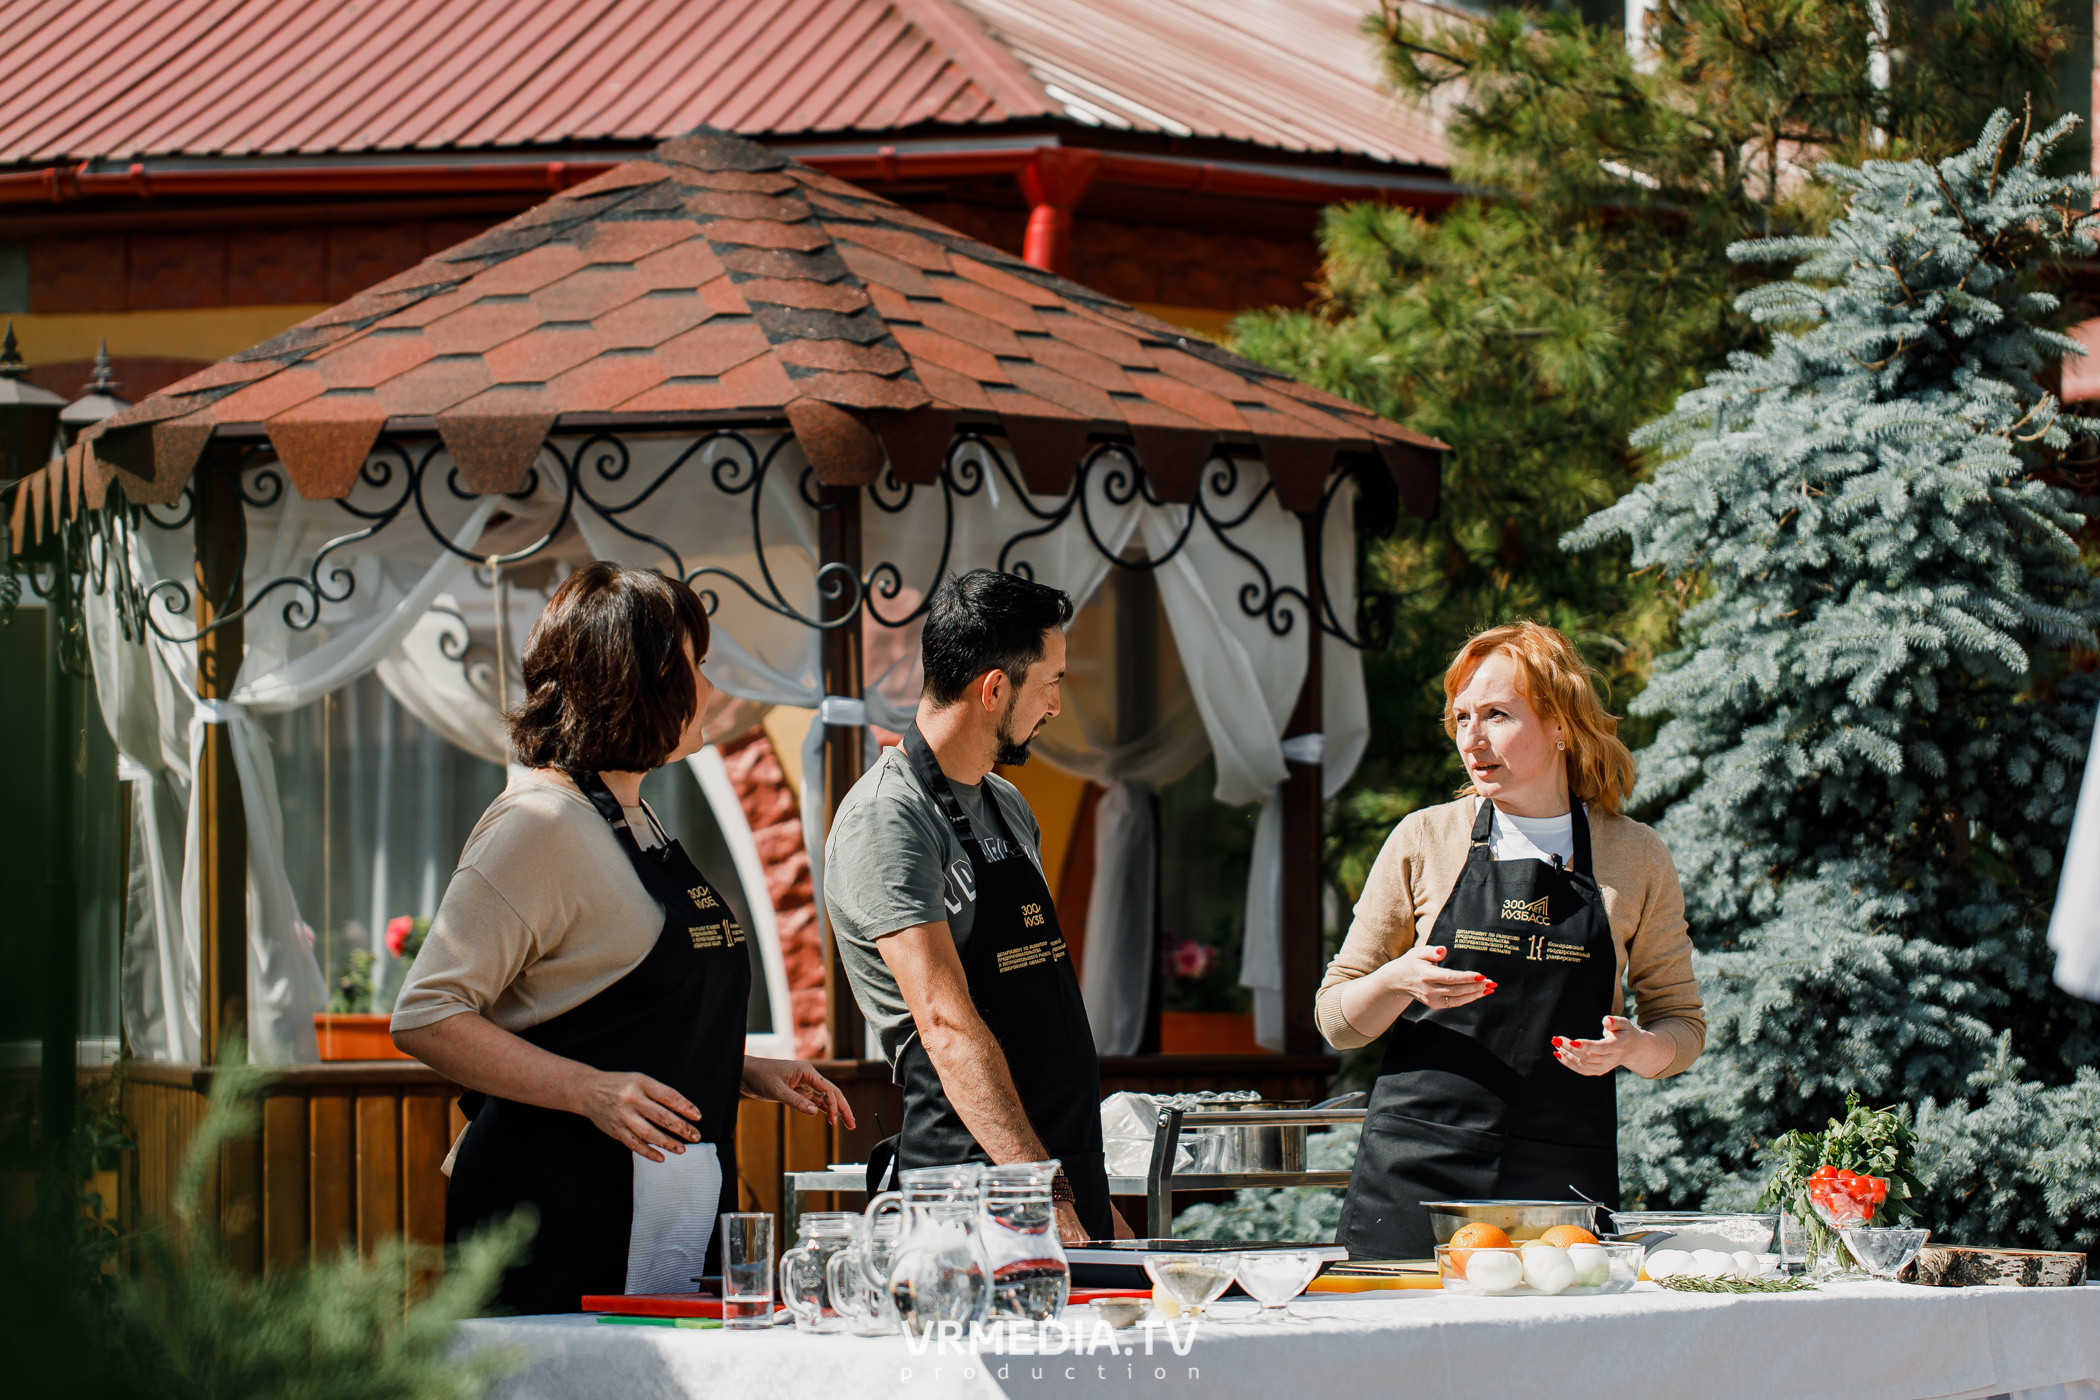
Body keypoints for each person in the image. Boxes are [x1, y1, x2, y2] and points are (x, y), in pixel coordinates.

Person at [393, 562, 853, 1313]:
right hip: (554, 1215)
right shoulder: (537, 824)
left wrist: (741, 1068)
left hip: (655, 1206)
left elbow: (603, 1006)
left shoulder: (637, 815)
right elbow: (426, 1016)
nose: (710, 685)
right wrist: (588, 1092)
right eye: (693, 666)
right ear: (634, 682)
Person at [1323, 622, 1706, 1260]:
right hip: (1416, 1170)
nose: (1472, 739)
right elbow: (1337, 1021)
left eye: (1498, 715)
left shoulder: (1634, 855)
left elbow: (1683, 1026)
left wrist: (1636, 1048)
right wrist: (1396, 980)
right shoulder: (1425, 839)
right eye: (1461, 718)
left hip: (1559, 1176)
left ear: (1562, 725)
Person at [825, 569, 1130, 1244]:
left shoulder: (1007, 805)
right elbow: (944, 1023)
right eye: (1051, 681)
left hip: (1056, 1178)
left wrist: (1088, 1198)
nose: (1055, 705)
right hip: (975, 1194)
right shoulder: (889, 817)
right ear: (994, 689)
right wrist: (1041, 1192)